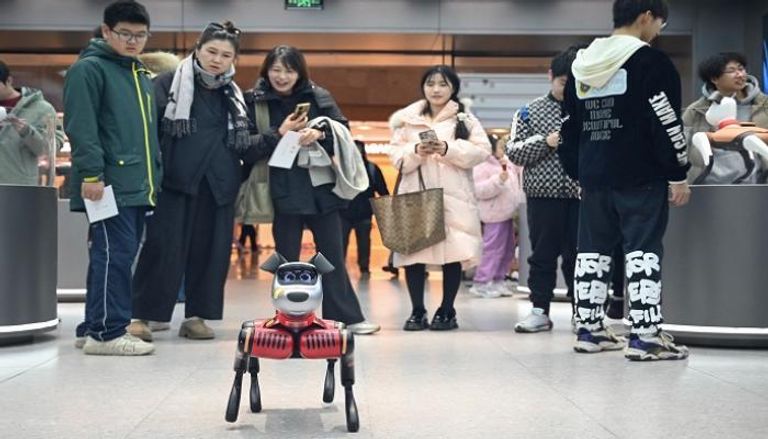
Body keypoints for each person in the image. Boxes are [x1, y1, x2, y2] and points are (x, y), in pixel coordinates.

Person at [559, 0, 691, 360]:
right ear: (646, 17)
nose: (658, 31)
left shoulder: (582, 65)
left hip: (594, 176)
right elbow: (666, 121)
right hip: (641, 173)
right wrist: (677, 172)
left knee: (592, 251)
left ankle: (589, 329)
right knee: (643, 249)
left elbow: (569, 127)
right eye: (659, 24)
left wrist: (579, 170)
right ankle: (646, 335)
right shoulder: (651, 62)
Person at [129, 21, 261, 341]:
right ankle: (143, 316)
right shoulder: (167, 84)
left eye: (225, 55)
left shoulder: (236, 97)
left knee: (212, 254)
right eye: (211, 51)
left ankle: (197, 317)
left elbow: (244, 144)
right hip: (175, 183)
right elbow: (147, 134)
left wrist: (279, 136)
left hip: (218, 187)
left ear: (233, 60)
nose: (217, 59)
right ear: (198, 49)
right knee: (163, 249)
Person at [243, 45, 380, 335]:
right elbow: (246, 147)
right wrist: (278, 133)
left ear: (300, 72)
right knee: (285, 260)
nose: (282, 76)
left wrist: (318, 133)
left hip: (321, 189)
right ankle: (288, 319)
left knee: (331, 257)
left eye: (289, 70)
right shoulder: (254, 101)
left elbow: (343, 131)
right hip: (279, 189)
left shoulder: (318, 96)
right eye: (276, 69)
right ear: (266, 71)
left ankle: (346, 317)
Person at [64, 0, 160, 355]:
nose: (133, 41)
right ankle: (107, 333)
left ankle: (92, 325)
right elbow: (81, 127)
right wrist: (91, 174)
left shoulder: (136, 73)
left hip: (135, 185)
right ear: (106, 32)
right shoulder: (89, 70)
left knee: (112, 253)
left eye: (140, 35)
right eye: (125, 34)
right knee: (113, 255)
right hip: (106, 184)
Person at [389, 65, 491, 331]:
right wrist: (416, 150)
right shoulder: (407, 120)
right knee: (413, 254)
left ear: (453, 88)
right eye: (431, 83)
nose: (436, 89)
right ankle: (417, 310)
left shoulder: (465, 119)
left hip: (453, 196)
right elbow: (397, 159)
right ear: (423, 87)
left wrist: (447, 148)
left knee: (454, 253)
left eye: (443, 84)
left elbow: (482, 151)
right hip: (416, 194)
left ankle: (447, 310)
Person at [506, 47, 582, 332]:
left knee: (581, 256)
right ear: (551, 77)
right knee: (542, 255)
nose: (569, 89)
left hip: (582, 196)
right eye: (564, 82)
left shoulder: (590, 109)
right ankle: (539, 310)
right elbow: (513, 151)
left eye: (575, 82)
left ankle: (583, 312)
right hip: (542, 196)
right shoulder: (528, 111)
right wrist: (546, 142)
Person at [683, 52, 768, 184]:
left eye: (741, 69)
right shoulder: (696, 110)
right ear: (714, 79)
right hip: (708, 185)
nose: (740, 74)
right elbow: (681, 148)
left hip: (755, 184)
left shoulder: (763, 105)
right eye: (731, 71)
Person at [470, 135, 523, 298]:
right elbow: (478, 190)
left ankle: (498, 280)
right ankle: (481, 282)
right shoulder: (481, 166)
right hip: (493, 215)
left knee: (507, 250)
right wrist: (497, 181)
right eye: (500, 146)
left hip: (507, 214)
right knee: (492, 249)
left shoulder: (505, 163)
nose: (502, 149)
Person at [0, 60, 58, 186]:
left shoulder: (41, 109)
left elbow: (50, 149)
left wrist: (27, 132)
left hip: (18, 187)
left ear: (8, 81)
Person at [340, 140, 391, 276]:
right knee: (342, 242)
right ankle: (342, 267)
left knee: (363, 242)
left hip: (363, 213)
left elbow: (382, 190)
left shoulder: (371, 169)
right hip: (344, 213)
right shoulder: (341, 168)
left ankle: (364, 267)